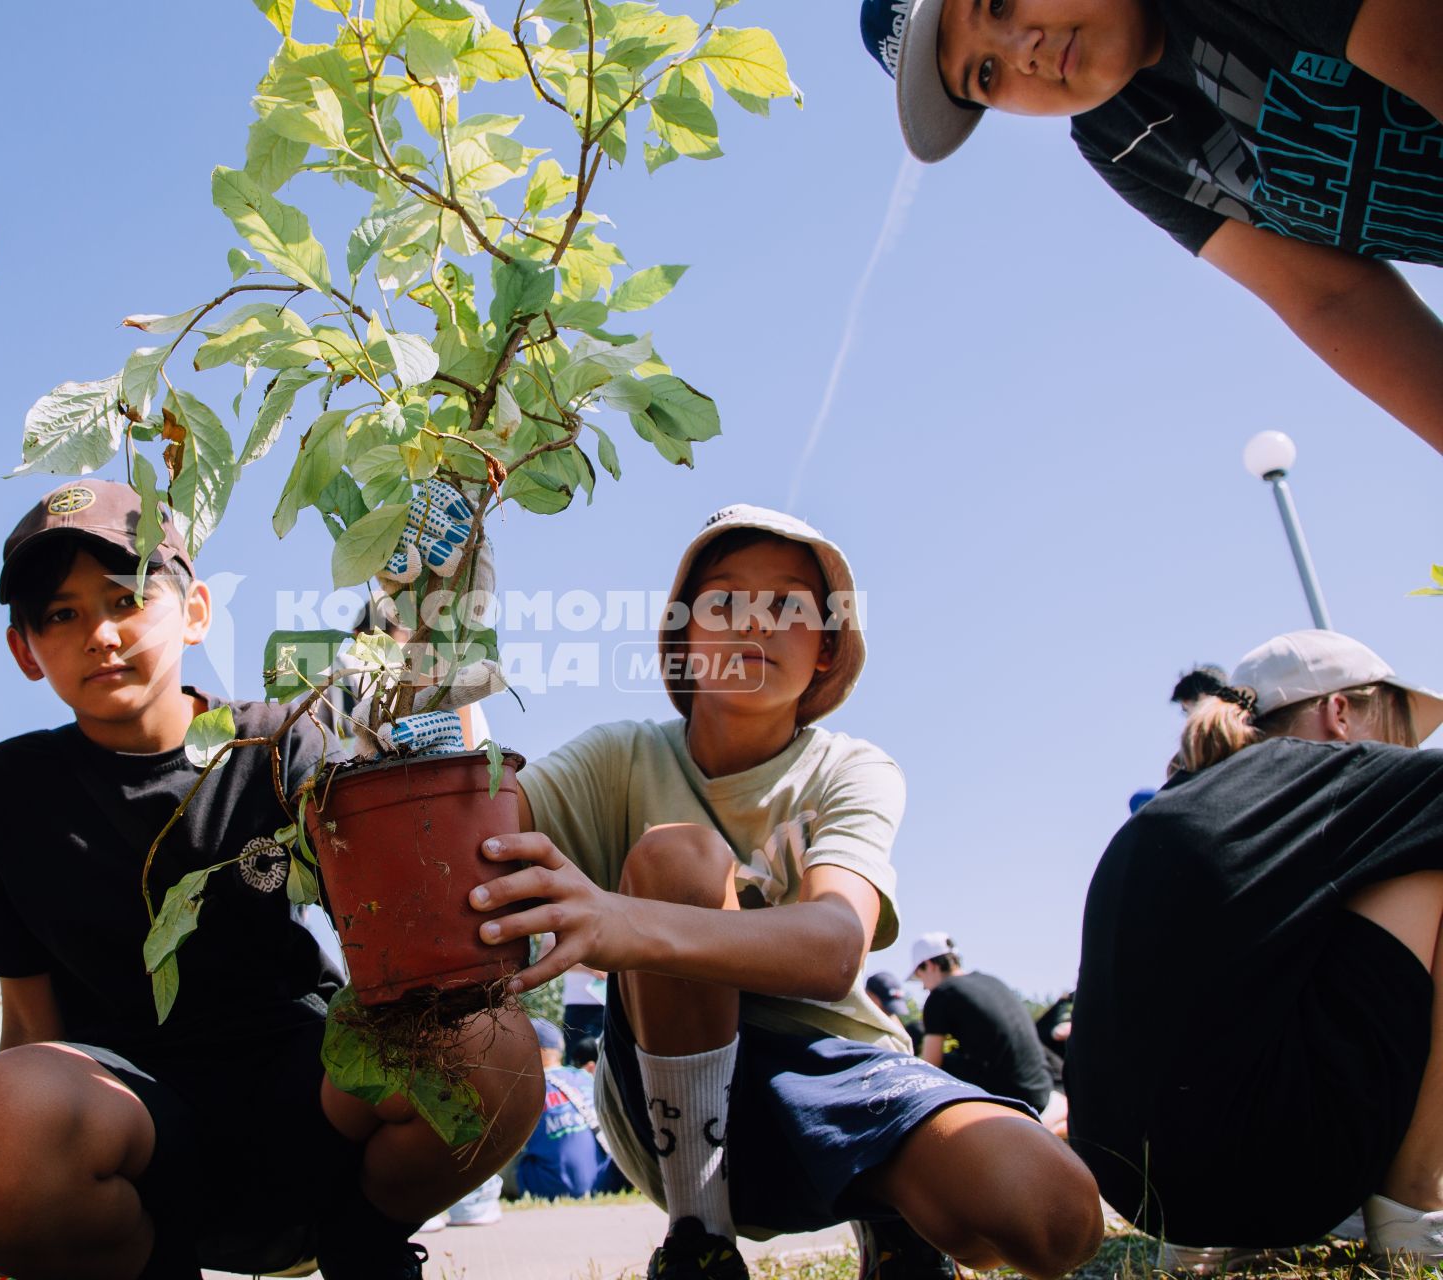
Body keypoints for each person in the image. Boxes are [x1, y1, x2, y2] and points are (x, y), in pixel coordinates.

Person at [0, 479, 544, 1280]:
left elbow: (401, 929)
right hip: (133, 1133)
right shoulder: (7, 792)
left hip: (319, 1102)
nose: (101, 634)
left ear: (196, 611)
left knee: (488, 1046)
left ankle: (364, 1243)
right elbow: (29, 1018)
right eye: (60, 615)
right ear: (24, 651)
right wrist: (10, 1179)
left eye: (124, 598)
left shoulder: (282, 741)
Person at [472, 505, 1103, 1280]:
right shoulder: (620, 758)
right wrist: (434, 654)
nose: (754, 625)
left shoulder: (853, 767)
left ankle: (896, 1214)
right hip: (671, 1103)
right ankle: (699, 1240)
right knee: (680, 858)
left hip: (833, 1061)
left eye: (790, 607)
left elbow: (837, 945)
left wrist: (619, 922)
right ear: (683, 636)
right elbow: (474, 836)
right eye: (725, 601)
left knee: (1052, 1217)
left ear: (827, 649)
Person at [859, 0, 1443, 458]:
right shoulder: (1118, 140)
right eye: (984, 74)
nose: (1020, 53)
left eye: (998, 3)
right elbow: (1332, 298)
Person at [1069, 629, 1443, 1266]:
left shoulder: (1177, 805)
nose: (1408, 749)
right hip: (1283, 1170)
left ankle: (1221, 1234)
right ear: (1342, 712)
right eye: (1401, 724)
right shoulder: (1337, 782)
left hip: (1141, 1191)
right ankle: (1415, 1198)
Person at [909, 934, 1066, 1137]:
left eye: (920, 977)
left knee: (929, 1070)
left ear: (929, 965)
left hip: (1017, 1100)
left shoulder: (942, 994)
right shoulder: (991, 981)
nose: (923, 986)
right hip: (1042, 1089)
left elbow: (931, 1064)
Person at [518, 1018, 626, 1201]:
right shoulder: (585, 1078)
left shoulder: (527, 1090)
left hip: (550, 1187)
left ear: (533, 1051)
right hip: (605, 1181)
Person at [865, 970, 925, 1050]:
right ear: (869, 996)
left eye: (891, 1012)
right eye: (886, 1009)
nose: (888, 1015)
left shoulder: (893, 1023)